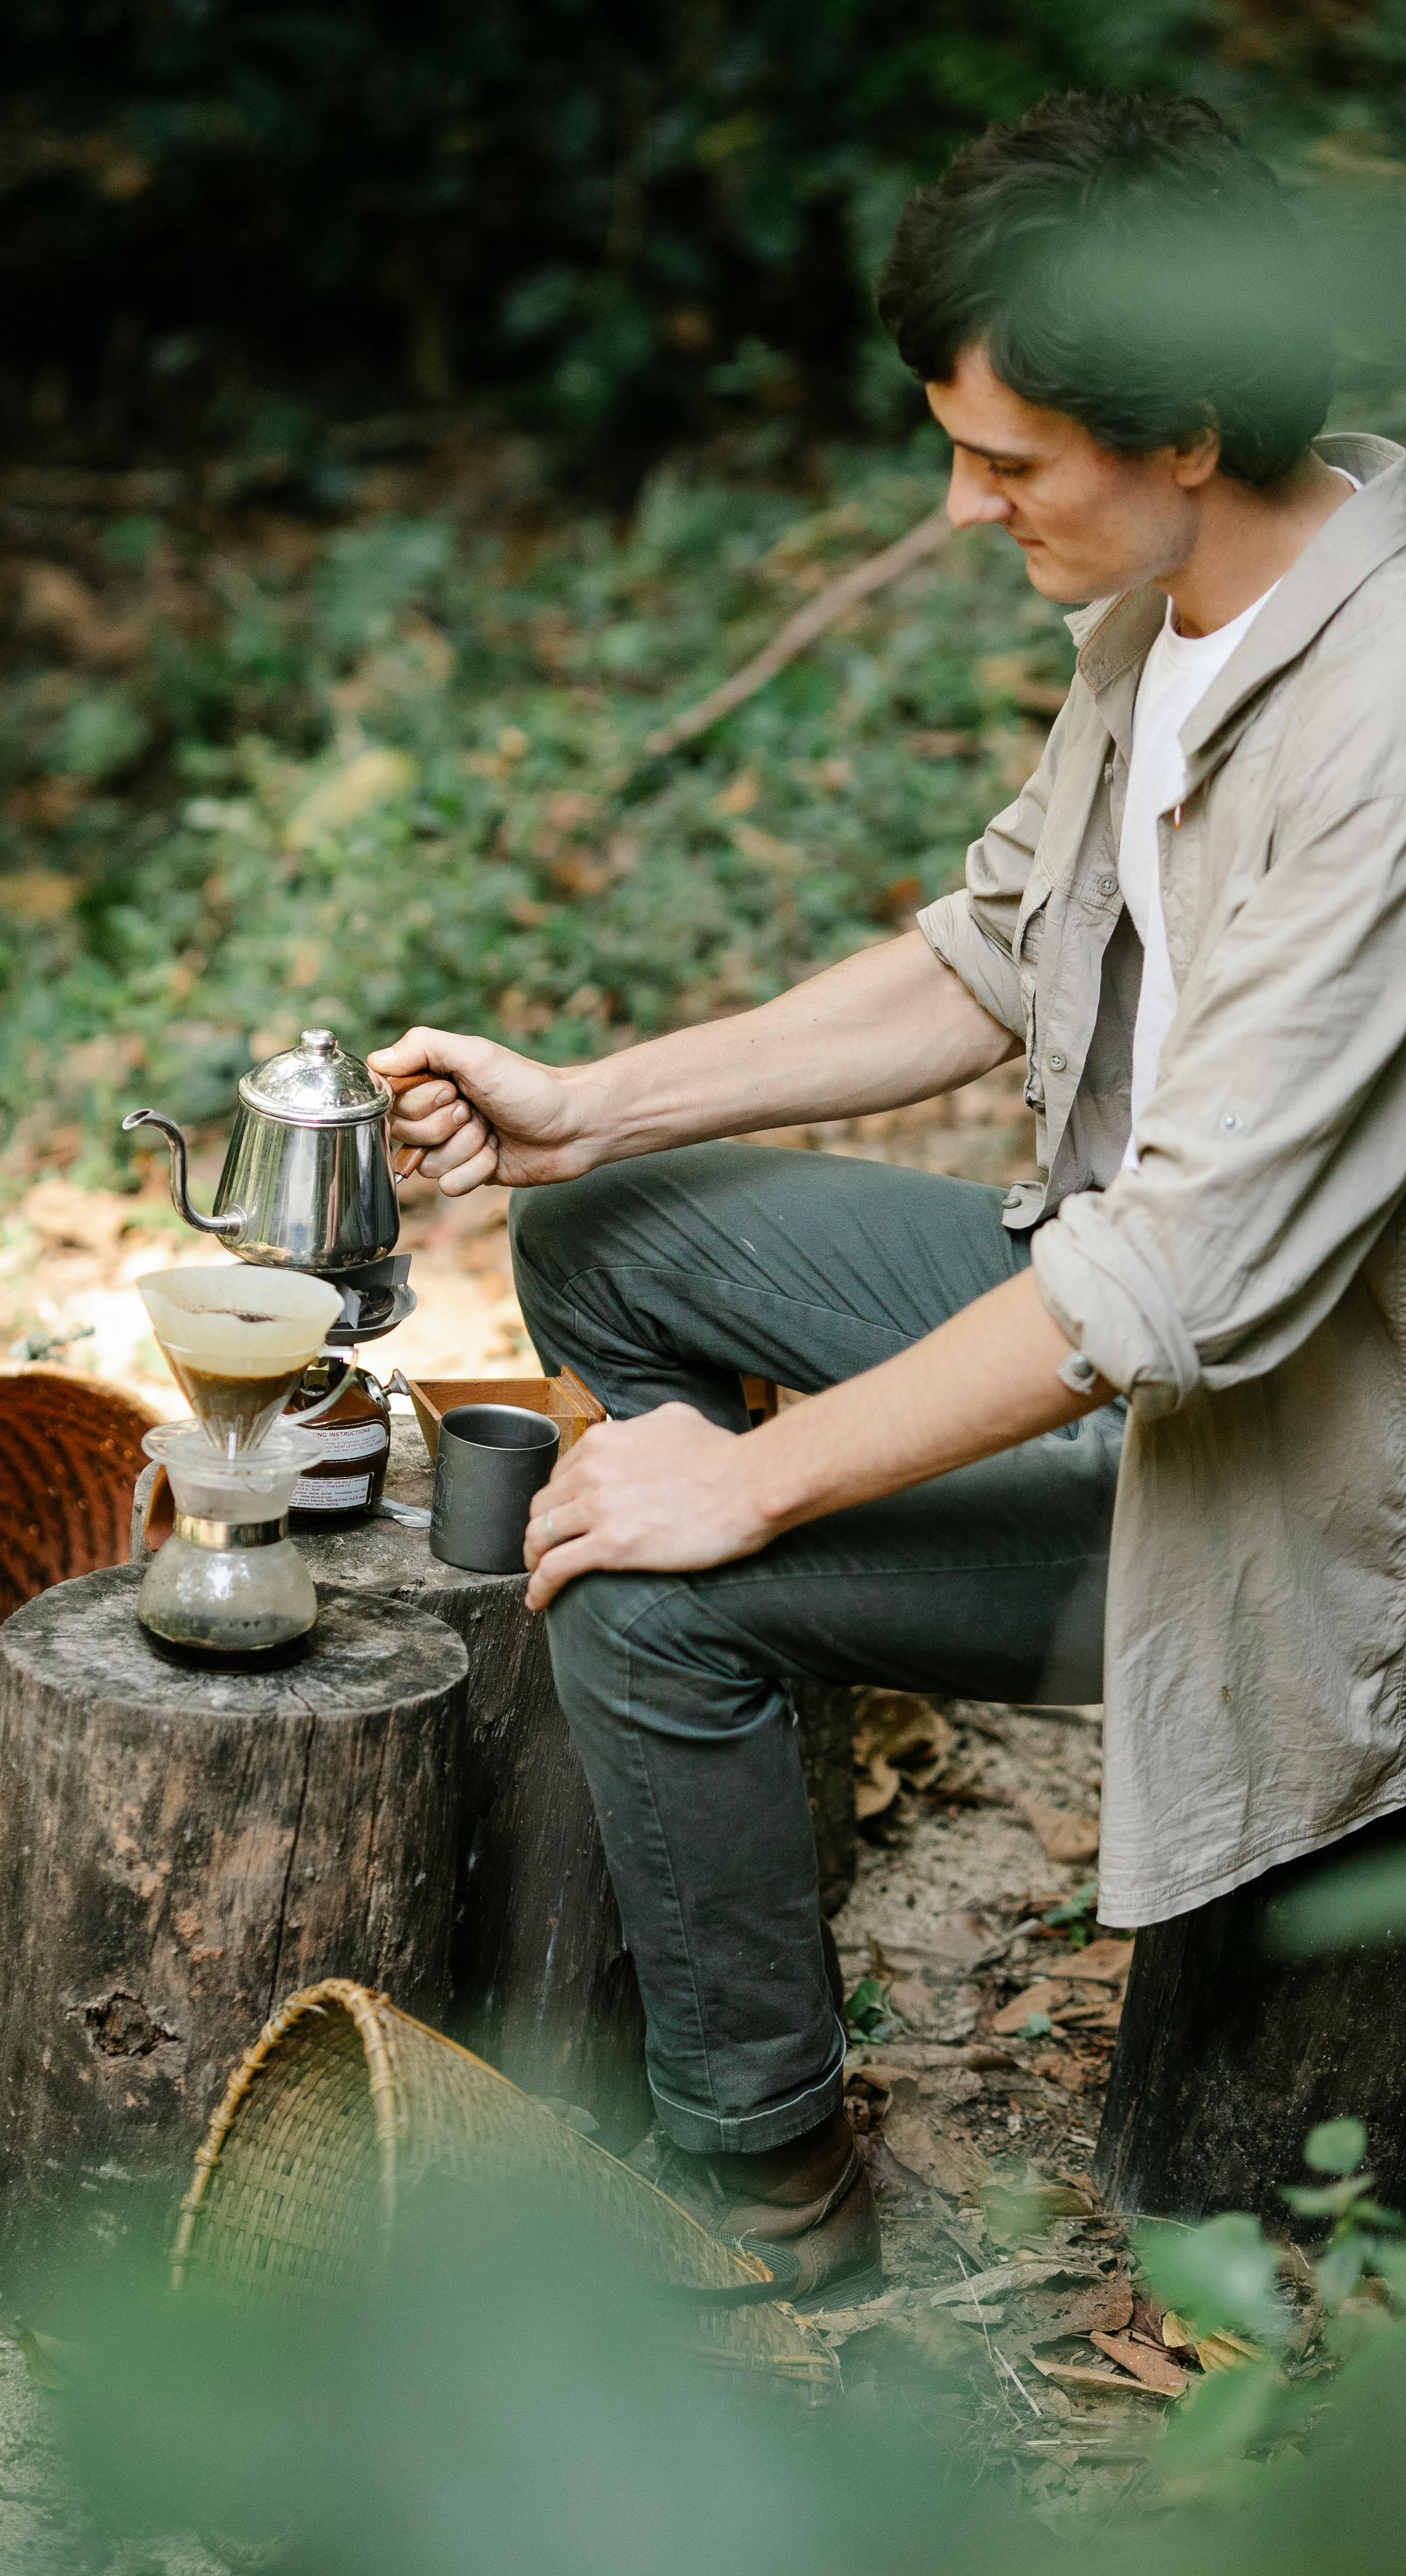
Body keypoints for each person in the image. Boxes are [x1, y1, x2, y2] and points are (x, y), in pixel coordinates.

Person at [372, 90, 1406, 2304]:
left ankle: (763, 2184)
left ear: (1193, 425)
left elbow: (1184, 1277)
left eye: (1008, 461)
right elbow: (992, 947)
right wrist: (590, 1110)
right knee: (611, 1242)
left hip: (1305, 1478)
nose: (961, 507)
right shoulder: (1180, 609)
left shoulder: (1386, 728)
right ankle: (725, 1814)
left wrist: (748, 1493)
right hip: (1137, 1337)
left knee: (655, 1592)